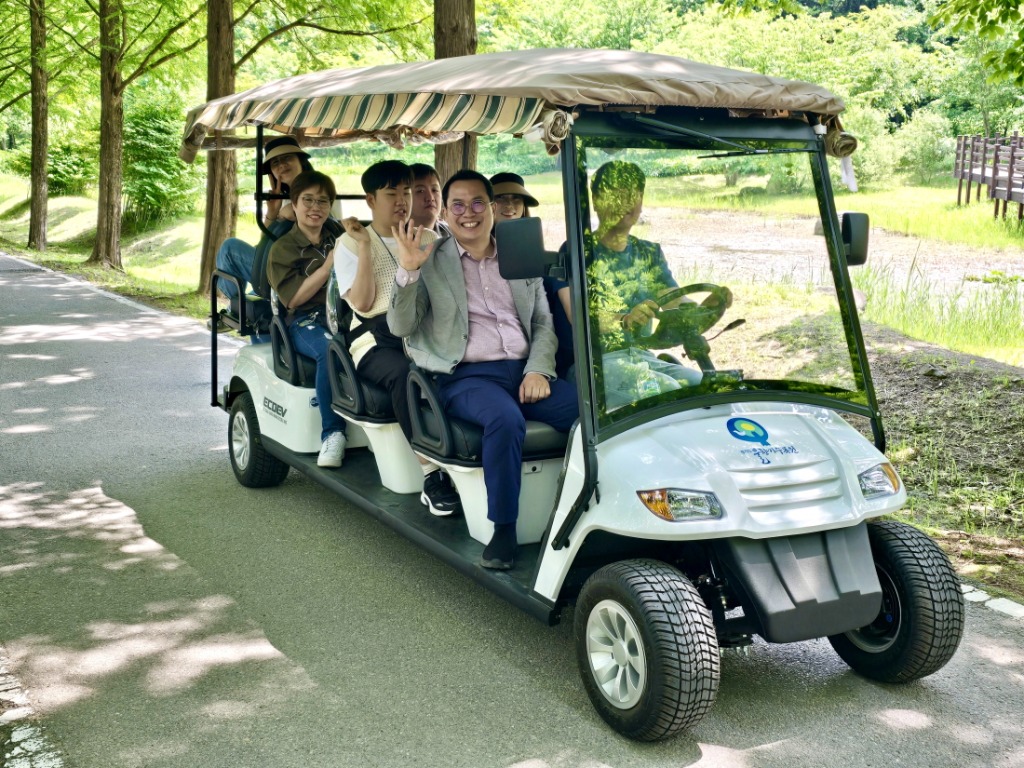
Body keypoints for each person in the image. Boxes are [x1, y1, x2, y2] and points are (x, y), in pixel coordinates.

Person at [388, 170, 579, 570]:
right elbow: (400, 327)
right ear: (445, 210)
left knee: (593, 412)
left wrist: (540, 371)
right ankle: (504, 529)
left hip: (525, 371)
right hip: (468, 377)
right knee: (506, 420)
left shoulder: (519, 254)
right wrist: (407, 273)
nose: (468, 213)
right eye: (457, 204)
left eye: (478, 203)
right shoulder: (430, 257)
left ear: (492, 208)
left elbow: (543, 323)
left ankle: (582, 513)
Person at [333, 160, 461, 516]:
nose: (402, 200)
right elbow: (361, 301)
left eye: (406, 192)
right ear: (371, 199)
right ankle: (431, 473)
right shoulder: (349, 242)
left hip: (424, 333)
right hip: (375, 339)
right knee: (408, 376)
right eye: (392, 194)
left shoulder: (431, 238)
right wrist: (363, 248)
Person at [585, 161, 721, 408]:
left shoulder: (649, 253)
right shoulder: (578, 252)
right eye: (614, 191)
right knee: (666, 391)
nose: (624, 200)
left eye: (633, 193)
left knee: (704, 385)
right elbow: (579, 318)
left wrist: (699, 310)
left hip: (642, 357)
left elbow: (673, 296)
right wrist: (625, 319)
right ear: (595, 200)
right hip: (593, 365)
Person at [266, 170, 347, 468]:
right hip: (304, 320)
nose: (316, 208)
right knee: (330, 350)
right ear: (295, 204)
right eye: (308, 200)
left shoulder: (339, 235)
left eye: (323, 201)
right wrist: (327, 267)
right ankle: (333, 433)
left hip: (346, 314)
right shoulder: (283, 248)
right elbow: (293, 298)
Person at [211, 136, 313, 339]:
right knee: (230, 248)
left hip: (299, 267)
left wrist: (287, 213)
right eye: (275, 162)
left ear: (300, 160)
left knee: (230, 248)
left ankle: (234, 306)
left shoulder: (316, 188)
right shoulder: (281, 196)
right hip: (277, 263)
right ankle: (238, 305)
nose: (282, 166)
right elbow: (265, 241)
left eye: (287, 159)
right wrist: (272, 213)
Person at [410, 163, 447, 234]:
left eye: (434, 190)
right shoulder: (392, 238)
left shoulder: (453, 235)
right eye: (420, 191)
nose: (430, 198)